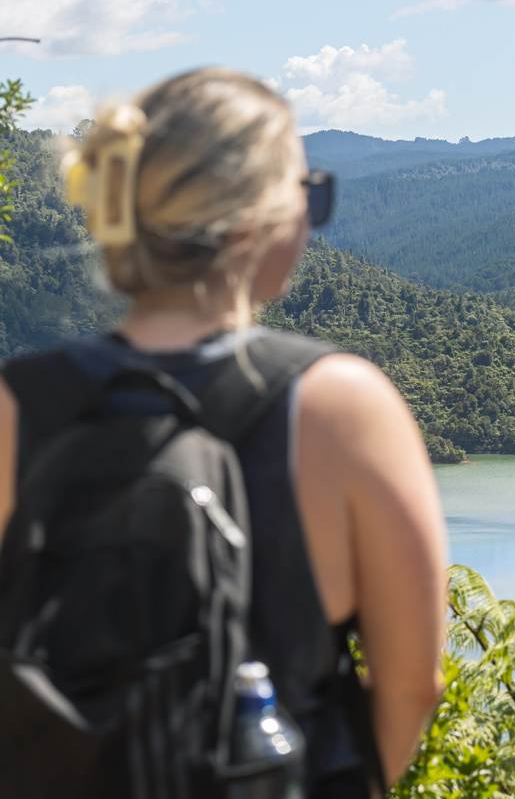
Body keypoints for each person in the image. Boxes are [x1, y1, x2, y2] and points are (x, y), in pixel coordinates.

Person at [0, 67, 446, 798]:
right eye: (310, 195)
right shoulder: (342, 408)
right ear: (257, 219)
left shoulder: (15, 405)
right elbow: (410, 686)